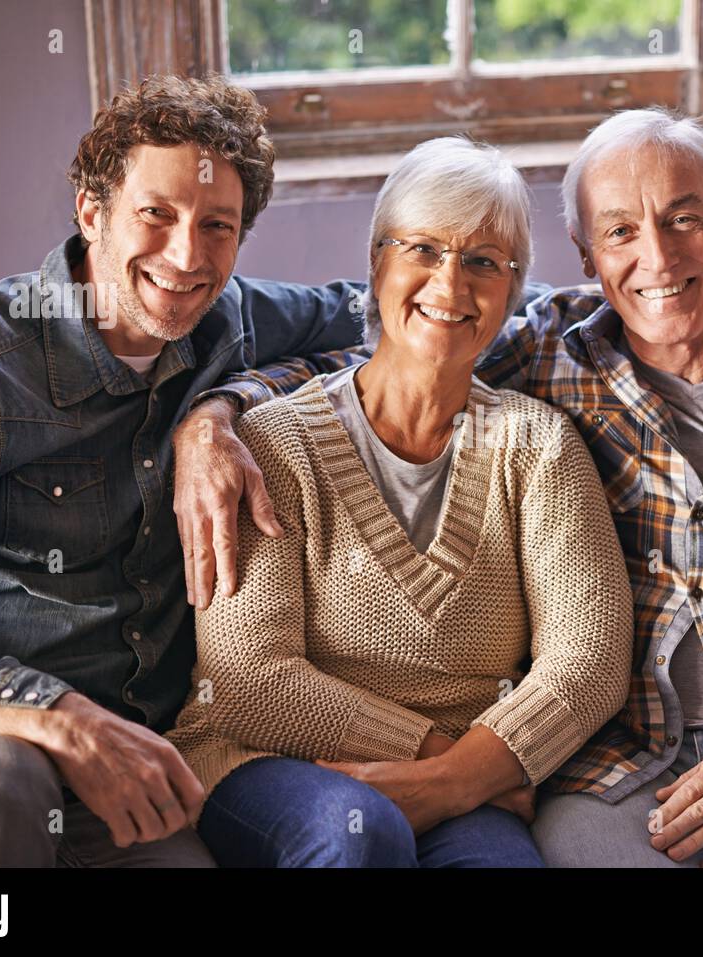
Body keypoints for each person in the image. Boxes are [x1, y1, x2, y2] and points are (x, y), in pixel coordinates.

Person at [172, 109, 703, 867]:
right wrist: (214, 415)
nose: (655, 258)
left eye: (683, 219)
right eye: (621, 230)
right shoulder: (559, 356)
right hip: (622, 766)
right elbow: (391, 358)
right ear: (587, 255)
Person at [0, 75, 363, 867]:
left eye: (217, 226)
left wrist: (220, 406)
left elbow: (403, 314)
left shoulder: (229, 322)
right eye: (155, 215)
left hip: (133, 764)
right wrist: (52, 712)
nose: (187, 255)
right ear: (92, 214)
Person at [166, 137, 633, 868]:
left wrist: (448, 782)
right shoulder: (273, 444)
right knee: (358, 833)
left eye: (484, 261)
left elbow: (590, 660)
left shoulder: (538, 445)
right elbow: (248, 681)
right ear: (378, 263)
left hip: (465, 781)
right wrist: (446, 760)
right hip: (262, 759)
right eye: (423, 249)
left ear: (512, 293)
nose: (450, 283)